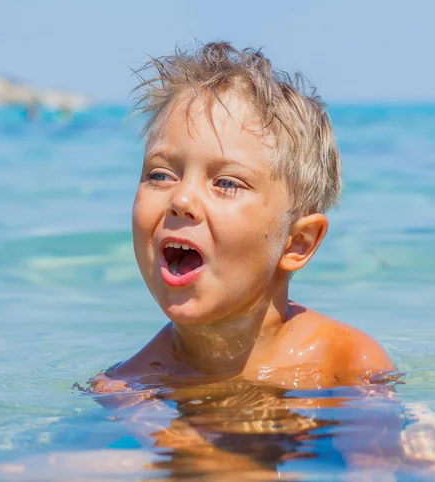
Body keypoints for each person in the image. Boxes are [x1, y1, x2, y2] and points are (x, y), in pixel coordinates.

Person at [96, 41, 394, 392]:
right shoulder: (130, 387)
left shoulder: (346, 363)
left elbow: (378, 446)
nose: (182, 198)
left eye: (225, 182)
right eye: (160, 175)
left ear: (297, 242)